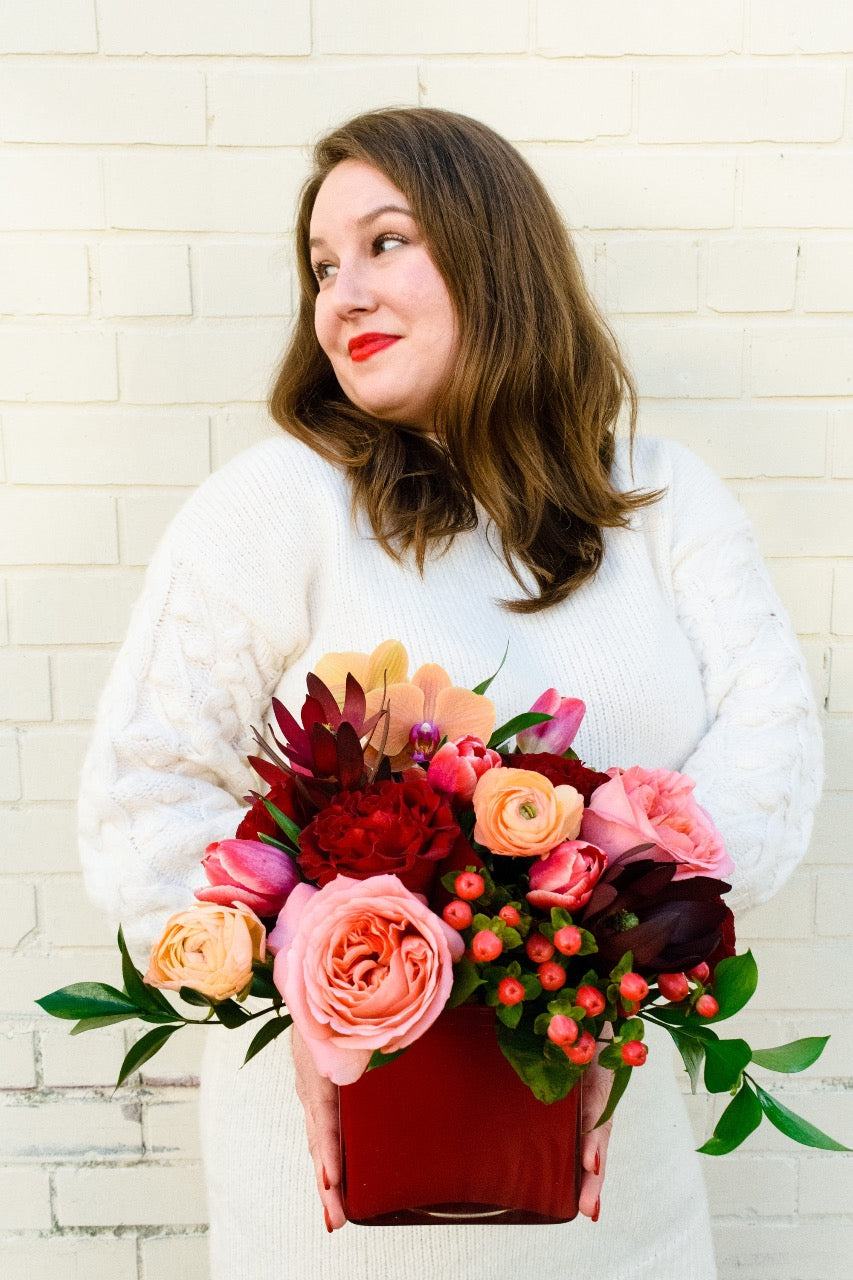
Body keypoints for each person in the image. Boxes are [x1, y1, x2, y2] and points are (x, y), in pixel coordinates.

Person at [78, 108, 822, 1280]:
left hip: (607, 1192)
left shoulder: (666, 498)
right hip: (336, 1192)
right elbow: (145, 798)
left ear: (496, 253)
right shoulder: (275, 504)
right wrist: (313, 983)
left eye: (385, 243)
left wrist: (603, 940)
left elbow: (769, 735)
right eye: (323, 267)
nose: (341, 297)